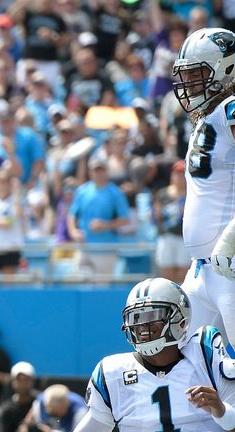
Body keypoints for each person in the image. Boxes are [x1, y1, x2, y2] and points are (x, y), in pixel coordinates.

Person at [74, 277, 235, 431]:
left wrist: (221, 411)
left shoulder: (205, 355)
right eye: (136, 317)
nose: (142, 325)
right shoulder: (113, 373)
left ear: (180, 320)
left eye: (152, 315)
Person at [169, 28, 235, 347]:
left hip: (230, 262)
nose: (190, 83)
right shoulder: (207, 116)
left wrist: (232, 238)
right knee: (182, 362)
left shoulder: (229, 108)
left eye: (198, 74)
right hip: (202, 270)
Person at [22, 384, 86, 432]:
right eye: (52, 412)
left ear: (66, 405)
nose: (55, 416)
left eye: (57, 413)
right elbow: (27, 423)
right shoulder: (39, 403)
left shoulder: (80, 412)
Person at [0, 362, 38, 432]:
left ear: (32, 381)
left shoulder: (41, 403)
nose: (22, 384)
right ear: (12, 382)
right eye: (19, 380)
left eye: (26, 380)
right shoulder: (7, 410)